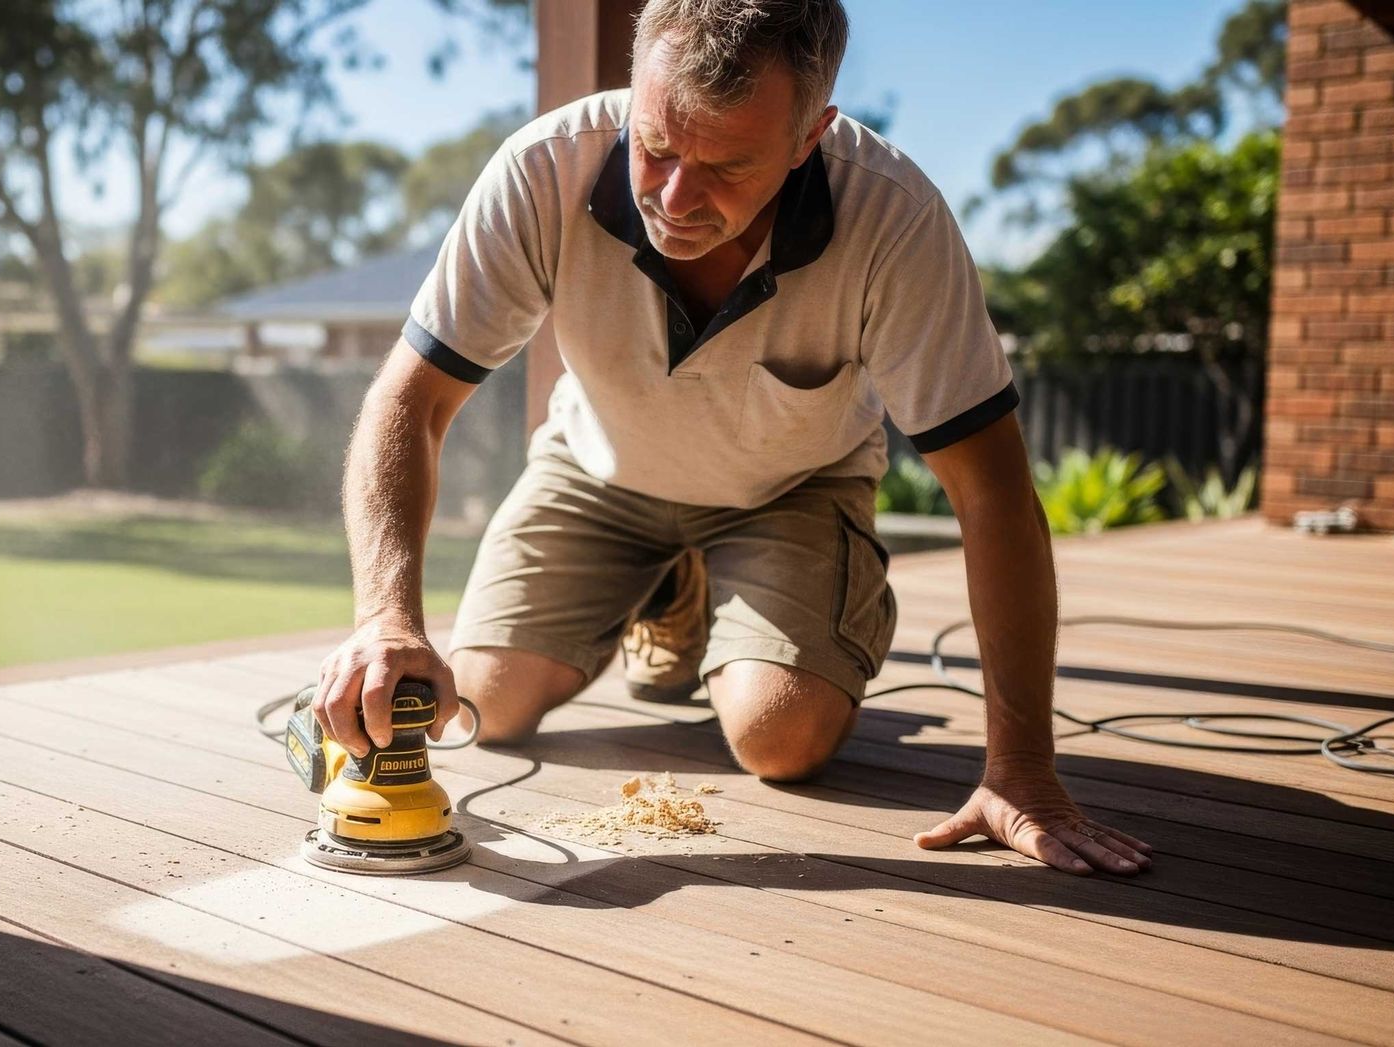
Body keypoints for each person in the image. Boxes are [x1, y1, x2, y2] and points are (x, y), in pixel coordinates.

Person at [311, 0, 1152, 876]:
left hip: (792, 487)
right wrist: (385, 618)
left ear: (808, 137)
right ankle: (676, 591)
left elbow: (994, 494)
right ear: (635, 91)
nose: (673, 199)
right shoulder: (542, 168)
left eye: (728, 165)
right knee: (484, 698)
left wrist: (1021, 769)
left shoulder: (896, 222)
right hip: (599, 469)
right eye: (658, 147)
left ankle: (741, 599)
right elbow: (409, 403)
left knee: (779, 737)